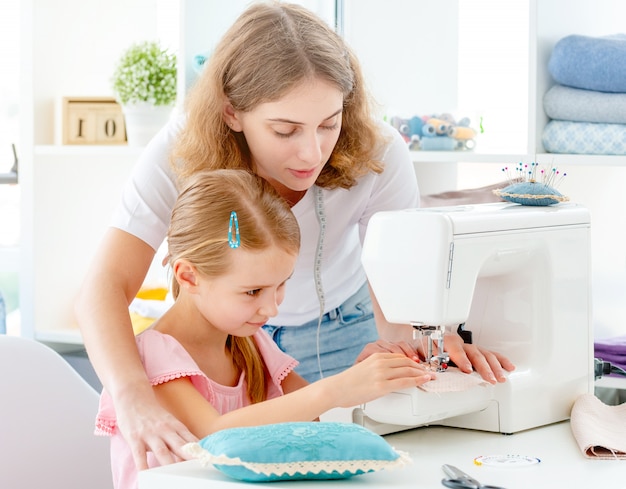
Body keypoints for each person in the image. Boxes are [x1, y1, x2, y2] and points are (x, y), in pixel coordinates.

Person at [75, 1, 514, 472]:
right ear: (231, 112)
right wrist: (132, 394)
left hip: (330, 327)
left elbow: (395, 310)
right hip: (222, 335)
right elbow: (103, 286)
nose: (312, 152)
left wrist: (423, 345)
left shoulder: (378, 153)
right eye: (285, 130)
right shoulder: (180, 151)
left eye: (329, 124)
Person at [95, 169, 436, 489]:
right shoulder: (155, 356)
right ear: (189, 276)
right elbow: (216, 434)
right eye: (253, 292)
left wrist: (364, 378)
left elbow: (312, 414)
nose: (272, 308)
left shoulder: (250, 342)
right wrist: (339, 388)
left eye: (280, 285)